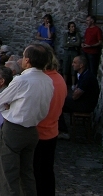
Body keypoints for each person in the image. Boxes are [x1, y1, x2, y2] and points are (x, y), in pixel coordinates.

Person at [0, 43, 54, 196]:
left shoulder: (21, 80)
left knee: (9, 175)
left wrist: (9, 107)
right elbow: (44, 109)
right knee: (27, 174)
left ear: (28, 60)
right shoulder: (48, 81)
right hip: (33, 129)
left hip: (15, 129)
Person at [34, 46, 67, 196]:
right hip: (51, 131)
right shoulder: (58, 78)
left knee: (37, 173)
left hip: (39, 132)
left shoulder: (45, 81)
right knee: (46, 172)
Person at [57, 55, 100, 139]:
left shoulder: (87, 77)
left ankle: (63, 131)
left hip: (85, 105)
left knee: (58, 104)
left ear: (81, 65)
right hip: (84, 102)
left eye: (75, 62)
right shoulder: (84, 74)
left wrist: (74, 94)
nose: (72, 64)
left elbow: (75, 96)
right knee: (59, 101)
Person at [63, 21, 81, 86]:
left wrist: (69, 43)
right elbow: (64, 44)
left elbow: (78, 43)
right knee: (65, 68)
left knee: (74, 69)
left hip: (74, 52)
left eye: (74, 26)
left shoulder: (77, 34)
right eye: (72, 27)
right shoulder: (66, 35)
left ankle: (73, 84)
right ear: (69, 28)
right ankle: (64, 84)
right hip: (67, 52)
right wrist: (73, 44)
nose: (73, 28)